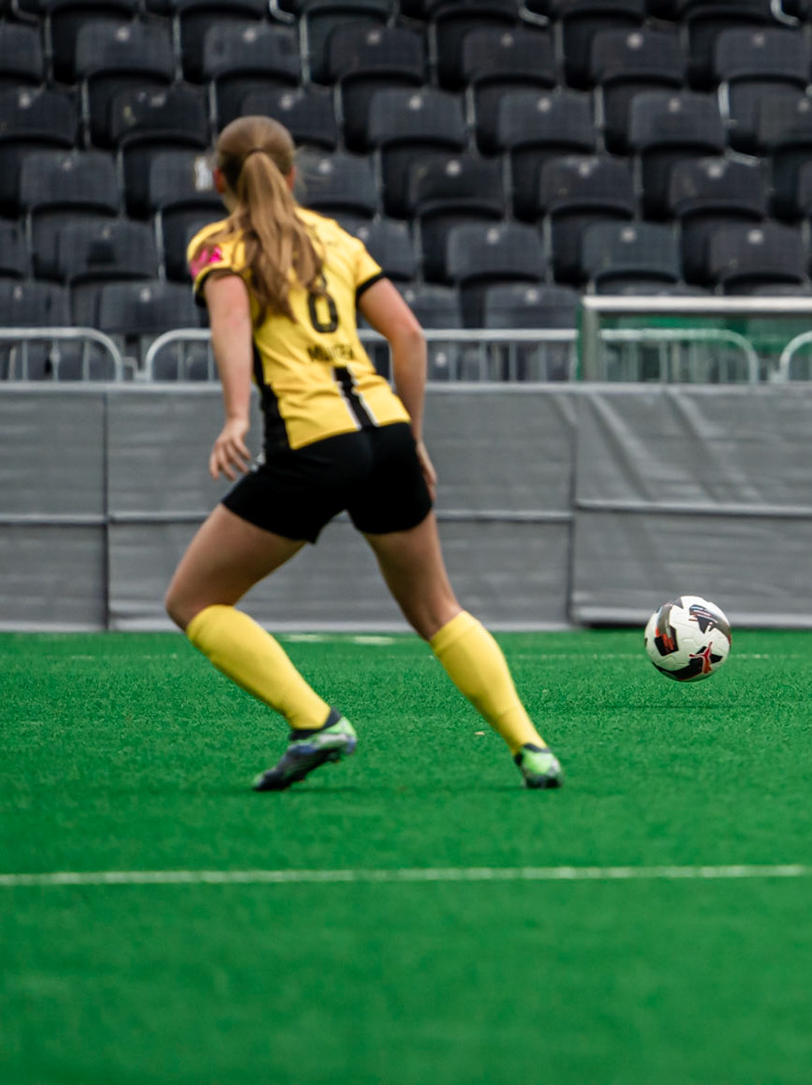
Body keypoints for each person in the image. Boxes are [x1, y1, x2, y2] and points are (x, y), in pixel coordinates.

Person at [161, 116, 562, 792]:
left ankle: (313, 721)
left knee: (193, 599)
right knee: (439, 610)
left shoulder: (219, 244)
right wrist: (415, 436)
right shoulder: (336, 238)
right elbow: (408, 335)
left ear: (220, 180)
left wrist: (235, 416)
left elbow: (229, 324)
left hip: (316, 442)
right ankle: (531, 746)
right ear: (292, 175)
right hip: (387, 434)